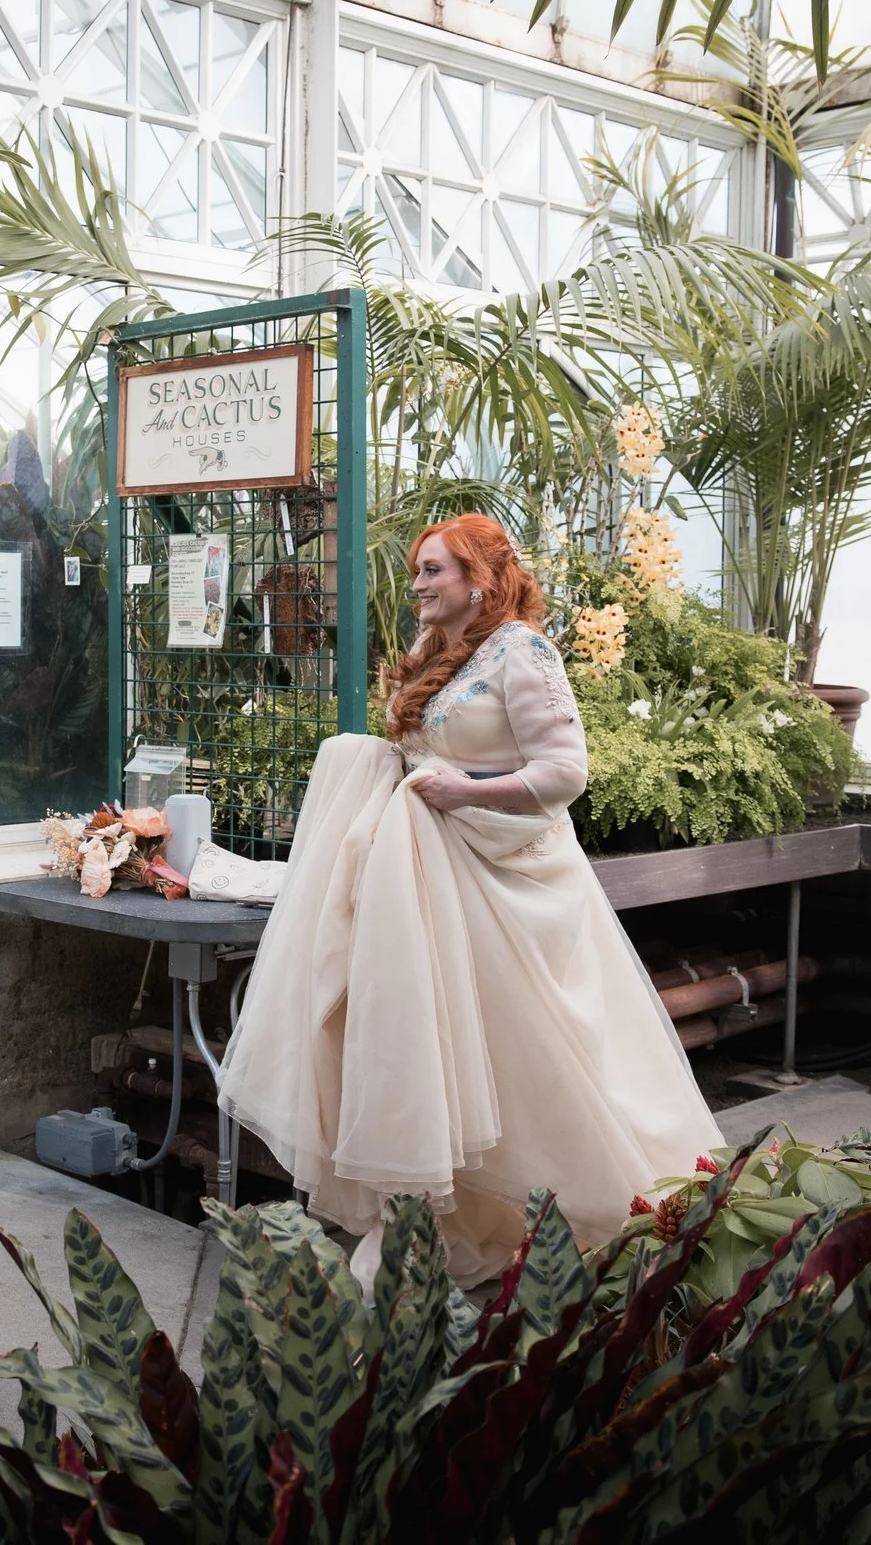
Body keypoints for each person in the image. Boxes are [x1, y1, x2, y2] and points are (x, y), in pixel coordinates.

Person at [218, 513, 721, 1285]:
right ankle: (431, 1223)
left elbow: (566, 771)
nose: (418, 585)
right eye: (418, 571)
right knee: (441, 1054)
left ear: (479, 579)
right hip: (433, 883)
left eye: (433, 570)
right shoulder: (435, 649)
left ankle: (598, 1206)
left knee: (529, 1061)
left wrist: (467, 790)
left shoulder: (523, 651)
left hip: (508, 883)